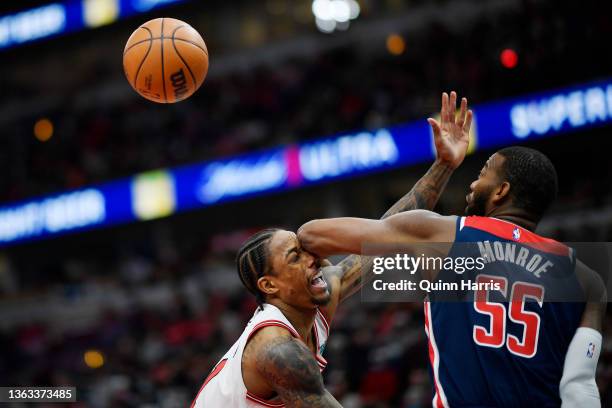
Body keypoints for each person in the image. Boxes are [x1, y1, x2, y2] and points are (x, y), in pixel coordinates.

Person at [191, 92, 474, 407]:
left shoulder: (314, 301)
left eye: (304, 249)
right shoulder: (276, 349)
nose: (313, 257)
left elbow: (386, 235)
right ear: (270, 285)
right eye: (295, 256)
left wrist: (443, 166)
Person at [297, 119, 607, 405]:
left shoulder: (444, 234)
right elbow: (579, 386)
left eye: (483, 172)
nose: (473, 183)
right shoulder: (586, 279)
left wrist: (442, 168)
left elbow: (313, 235)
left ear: (501, 191)